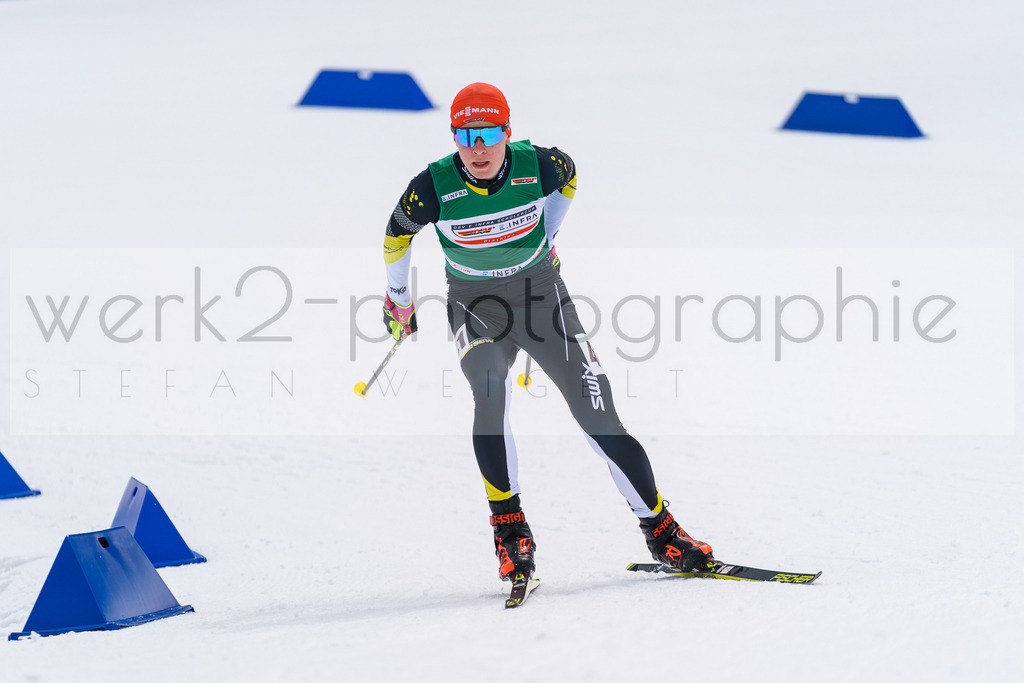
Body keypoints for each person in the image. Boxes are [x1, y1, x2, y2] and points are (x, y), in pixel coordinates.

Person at [381, 82, 712, 583]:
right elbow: (396, 234)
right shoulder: (432, 185)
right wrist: (399, 300)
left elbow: (570, 176)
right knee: (489, 391)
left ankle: (662, 530)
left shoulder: (539, 165)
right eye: (466, 135)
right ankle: (510, 532)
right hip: (476, 308)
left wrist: (548, 235)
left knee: (598, 415)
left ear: (506, 131)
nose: (478, 148)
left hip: (542, 299)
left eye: (489, 134)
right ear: (453, 136)